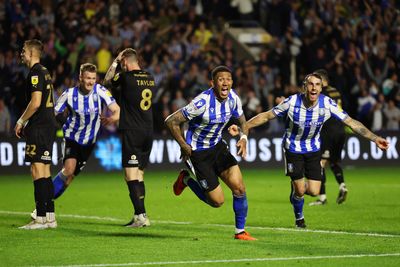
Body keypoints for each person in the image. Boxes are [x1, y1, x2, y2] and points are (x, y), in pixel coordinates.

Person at [229, 73, 389, 228]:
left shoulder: (327, 104)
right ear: (304, 87)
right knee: (299, 190)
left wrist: (374, 138)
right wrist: (243, 127)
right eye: (310, 84)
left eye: (317, 85)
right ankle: (299, 217)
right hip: (292, 148)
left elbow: (351, 122)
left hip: (313, 149)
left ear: (321, 88)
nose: (314, 88)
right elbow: (266, 116)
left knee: (313, 191)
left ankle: (296, 188)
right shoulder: (291, 102)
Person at [165, 65, 256, 241]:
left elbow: (243, 121)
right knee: (217, 202)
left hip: (218, 147)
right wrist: (183, 145)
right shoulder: (202, 102)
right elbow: (171, 121)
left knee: (240, 188)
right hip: (198, 152)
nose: (225, 83)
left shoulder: (234, 99)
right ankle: (185, 179)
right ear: (212, 83)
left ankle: (240, 232)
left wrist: (244, 138)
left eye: (228, 79)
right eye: (221, 79)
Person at [31, 63, 120, 219]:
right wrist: (60, 123)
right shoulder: (69, 94)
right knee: (69, 169)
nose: (91, 82)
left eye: (93, 78)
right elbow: (55, 112)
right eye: (87, 78)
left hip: (90, 142)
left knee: (69, 179)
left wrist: (112, 118)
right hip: (72, 137)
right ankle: (42, 207)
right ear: (80, 78)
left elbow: (117, 109)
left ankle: (46, 205)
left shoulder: (100, 91)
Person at [104, 48, 156, 227]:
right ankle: (139, 215)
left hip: (132, 130)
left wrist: (115, 61)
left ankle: (141, 216)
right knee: (139, 173)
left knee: (129, 174)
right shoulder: (150, 77)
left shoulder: (126, 77)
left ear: (126, 61)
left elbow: (107, 81)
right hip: (148, 130)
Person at [15, 39, 58, 229]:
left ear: (32, 53)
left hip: (39, 126)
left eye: (24, 50)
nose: (21, 53)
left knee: (37, 169)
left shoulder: (35, 73)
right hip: (49, 125)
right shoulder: (45, 72)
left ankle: (40, 218)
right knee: (46, 171)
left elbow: (35, 103)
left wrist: (21, 120)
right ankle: (50, 216)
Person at [309, 69, 348, 206]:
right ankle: (342, 185)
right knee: (334, 162)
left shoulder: (322, 93)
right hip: (341, 130)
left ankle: (322, 197)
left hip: (328, 131)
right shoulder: (335, 91)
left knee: (320, 163)